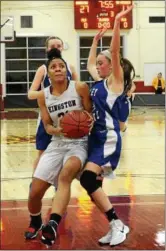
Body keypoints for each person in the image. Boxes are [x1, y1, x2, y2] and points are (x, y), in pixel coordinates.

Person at [79, 5, 134, 246]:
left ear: (112, 66)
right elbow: (90, 62)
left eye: (103, 63)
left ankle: (117, 224)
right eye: (99, 63)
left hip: (109, 139)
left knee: (88, 181)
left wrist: (117, 23)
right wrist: (94, 41)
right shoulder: (99, 83)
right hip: (96, 138)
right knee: (93, 187)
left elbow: (113, 51)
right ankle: (115, 225)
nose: (98, 66)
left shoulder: (115, 82)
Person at [24, 48, 92, 241]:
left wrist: (81, 123)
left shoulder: (79, 88)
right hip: (57, 143)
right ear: (48, 73)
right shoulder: (43, 96)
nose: (58, 69)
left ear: (67, 71)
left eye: (61, 66)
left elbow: (90, 114)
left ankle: (52, 223)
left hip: (79, 143)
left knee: (66, 175)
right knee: (35, 192)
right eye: (54, 67)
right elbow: (46, 124)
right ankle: (36, 221)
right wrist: (55, 130)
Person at [28, 36, 78, 172]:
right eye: (52, 46)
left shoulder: (70, 67)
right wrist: (49, 93)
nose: (55, 48)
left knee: (65, 154)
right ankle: (35, 183)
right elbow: (31, 93)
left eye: (58, 46)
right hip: (47, 117)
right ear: (47, 49)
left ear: (62, 48)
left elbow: (78, 89)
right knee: (42, 153)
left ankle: (59, 186)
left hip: (67, 117)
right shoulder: (43, 69)